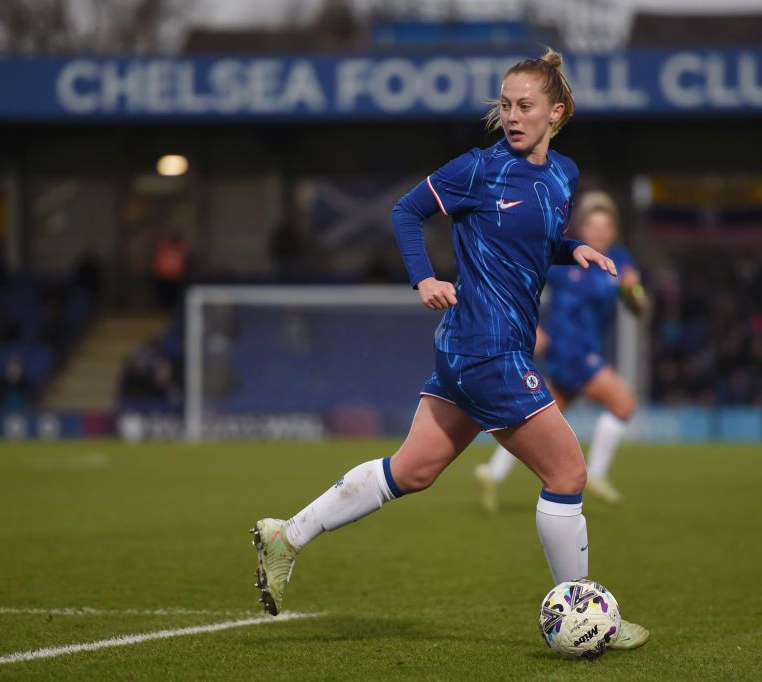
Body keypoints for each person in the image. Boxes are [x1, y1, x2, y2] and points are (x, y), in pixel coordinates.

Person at [250, 48, 649, 651]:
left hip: (476, 351)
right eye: (505, 105)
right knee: (567, 471)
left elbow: (533, 239)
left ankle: (287, 536)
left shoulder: (562, 176)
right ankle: (585, 618)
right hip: (485, 350)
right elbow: (406, 211)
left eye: (525, 106)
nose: (511, 116)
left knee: (412, 470)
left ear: (556, 113)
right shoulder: (479, 168)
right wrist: (425, 278)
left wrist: (573, 251)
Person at [474, 192, 648, 509]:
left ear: (613, 229)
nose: (599, 232)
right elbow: (519, 283)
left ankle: (493, 471)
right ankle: (595, 473)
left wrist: (634, 291)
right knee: (623, 403)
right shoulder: (568, 258)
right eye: (593, 225)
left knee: (541, 416)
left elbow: (638, 307)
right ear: (582, 229)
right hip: (570, 350)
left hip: (586, 349)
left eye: (605, 225)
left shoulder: (620, 260)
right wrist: (533, 327)